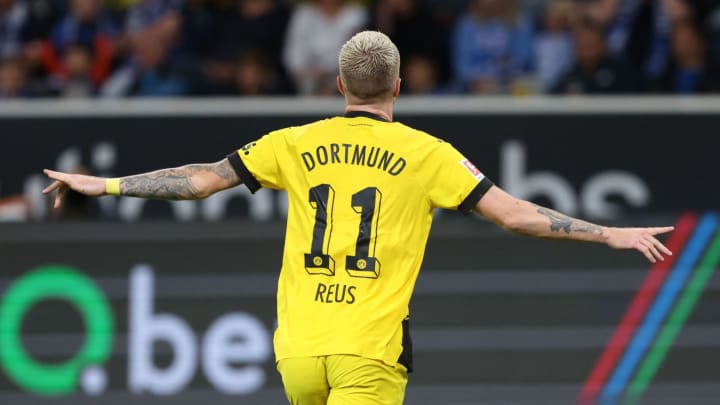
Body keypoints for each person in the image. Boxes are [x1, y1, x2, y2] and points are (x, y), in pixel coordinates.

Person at [43, 31, 673, 405]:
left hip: (297, 355)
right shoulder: (427, 154)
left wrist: (105, 184)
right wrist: (609, 232)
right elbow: (512, 215)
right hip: (367, 355)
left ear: (340, 86)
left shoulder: (293, 142)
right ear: (397, 87)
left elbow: (201, 181)